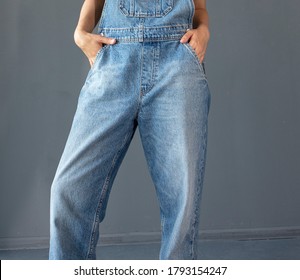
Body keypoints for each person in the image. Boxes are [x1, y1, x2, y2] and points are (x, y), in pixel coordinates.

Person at [49, 0, 211, 260]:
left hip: (176, 63)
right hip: (114, 62)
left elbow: (199, 8)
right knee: (68, 190)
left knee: (182, 201)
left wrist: (203, 31)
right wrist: (81, 32)